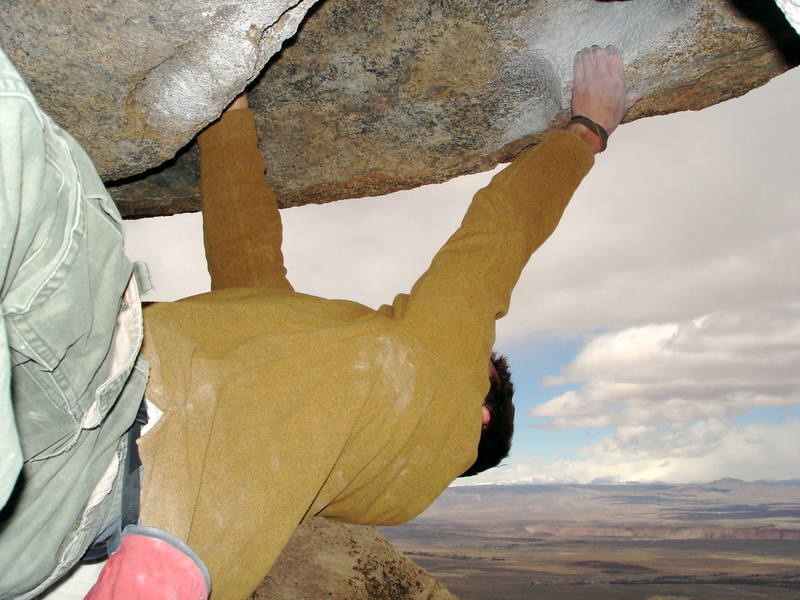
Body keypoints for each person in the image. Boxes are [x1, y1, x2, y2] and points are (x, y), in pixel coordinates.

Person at [0, 44, 638, 600]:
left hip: (99, 420)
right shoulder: (330, 447)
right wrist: (229, 116)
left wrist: (585, 133)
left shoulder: (443, 394)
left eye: (486, 366)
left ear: (482, 414)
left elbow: (491, 246)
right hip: (82, 541)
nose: (477, 354)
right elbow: (249, 277)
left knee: (19, 151)